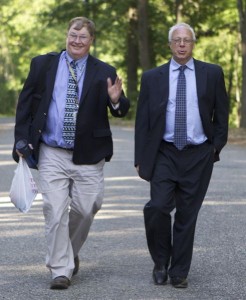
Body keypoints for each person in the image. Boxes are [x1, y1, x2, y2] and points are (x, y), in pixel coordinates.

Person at [13, 16, 130, 289]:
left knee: (87, 208)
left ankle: (67, 252)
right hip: (52, 150)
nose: (76, 41)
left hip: (89, 153)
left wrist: (115, 101)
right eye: (72, 35)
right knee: (54, 210)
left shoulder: (104, 71)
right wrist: (21, 139)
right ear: (66, 35)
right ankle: (60, 270)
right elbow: (26, 103)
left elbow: (122, 107)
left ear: (91, 41)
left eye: (83, 37)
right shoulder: (43, 64)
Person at [135, 23, 228, 288]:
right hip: (164, 151)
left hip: (199, 154)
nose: (182, 44)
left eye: (187, 40)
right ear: (170, 44)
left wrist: (215, 148)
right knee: (158, 207)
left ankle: (179, 271)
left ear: (193, 43)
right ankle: (160, 261)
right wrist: (140, 157)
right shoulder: (153, 77)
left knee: (187, 214)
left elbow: (221, 114)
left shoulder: (212, 73)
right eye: (177, 40)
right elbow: (143, 121)